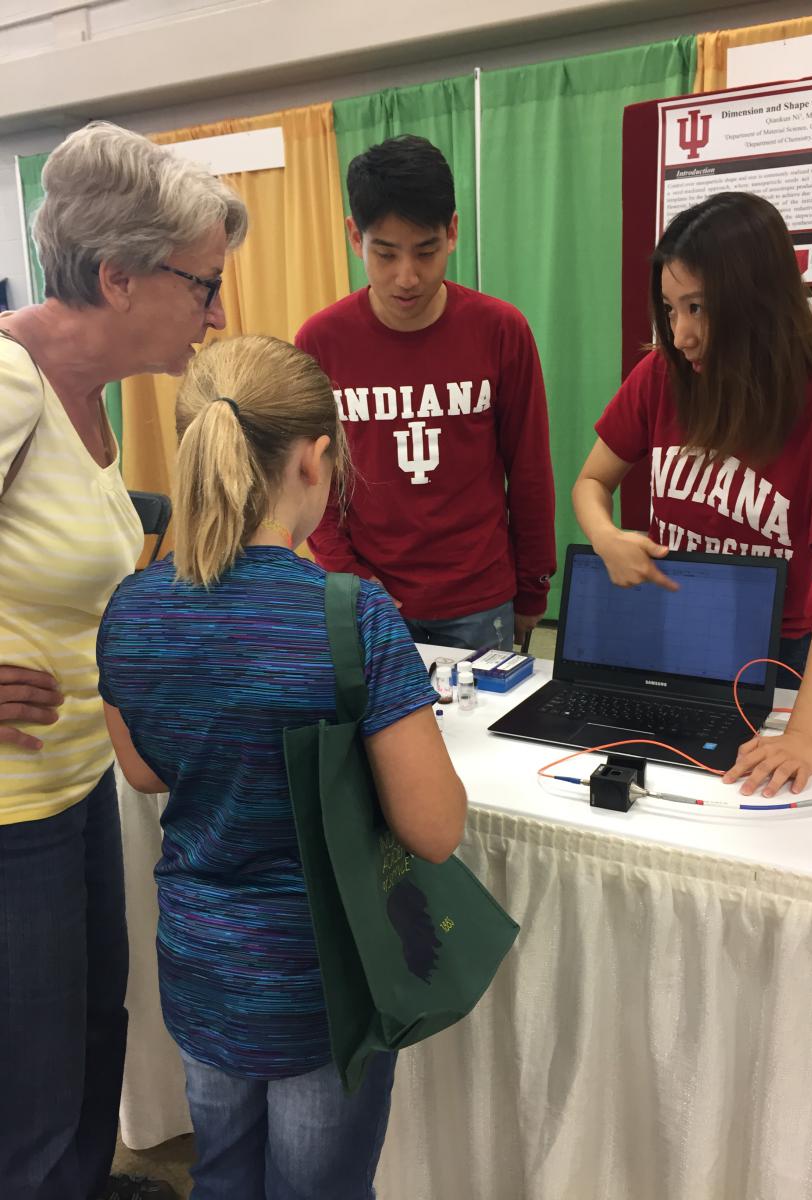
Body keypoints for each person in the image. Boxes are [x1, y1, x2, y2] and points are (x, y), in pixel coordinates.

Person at [96, 334, 467, 1200]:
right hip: (320, 983)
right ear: (316, 460)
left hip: (202, 968)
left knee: (222, 1172)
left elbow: (147, 772)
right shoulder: (352, 614)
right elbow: (435, 828)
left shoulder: (132, 607)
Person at [0, 121, 247, 1200]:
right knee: (36, 1083)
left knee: (99, 1025)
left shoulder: (85, 393)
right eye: (202, 286)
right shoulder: (8, 384)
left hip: (74, 781)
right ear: (117, 276)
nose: (219, 313)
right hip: (9, 808)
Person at [572, 191, 812, 799]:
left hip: (772, 656)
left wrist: (801, 737)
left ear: (759, 303)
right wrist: (606, 535)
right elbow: (591, 482)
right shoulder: (660, 378)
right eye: (669, 309)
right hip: (665, 636)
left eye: (699, 308)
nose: (681, 333)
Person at [295, 134, 556, 652]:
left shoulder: (501, 330)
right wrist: (347, 576)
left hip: (480, 598)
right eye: (385, 254)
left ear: (453, 232)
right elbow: (310, 477)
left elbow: (529, 470)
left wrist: (532, 589)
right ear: (355, 237)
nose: (407, 277)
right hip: (369, 598)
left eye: (426, 251)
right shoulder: (320, 342)